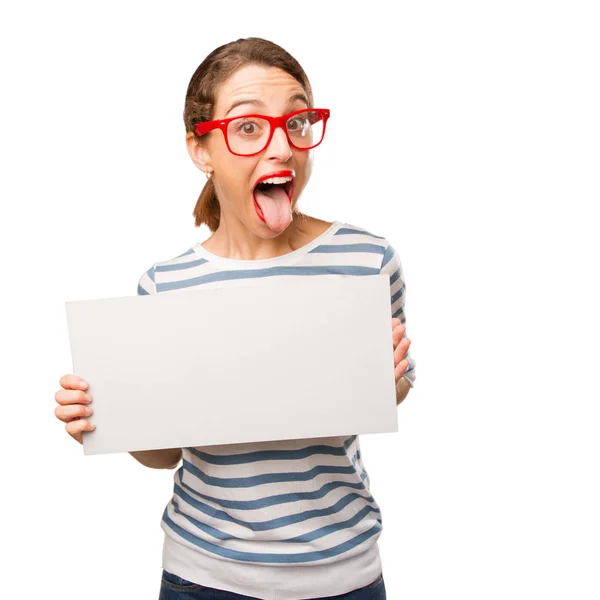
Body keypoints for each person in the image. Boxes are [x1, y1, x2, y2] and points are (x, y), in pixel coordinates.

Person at [54, 37, 416, 600]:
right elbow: (163, 453)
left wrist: (387, 386)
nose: (280, 147)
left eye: (297, 121)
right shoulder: (166, 285)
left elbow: (388, 395)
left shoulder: (367, 260)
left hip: (346, 571)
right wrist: (108, 416)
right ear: (203, 150)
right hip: (204, 576)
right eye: (248, 127)